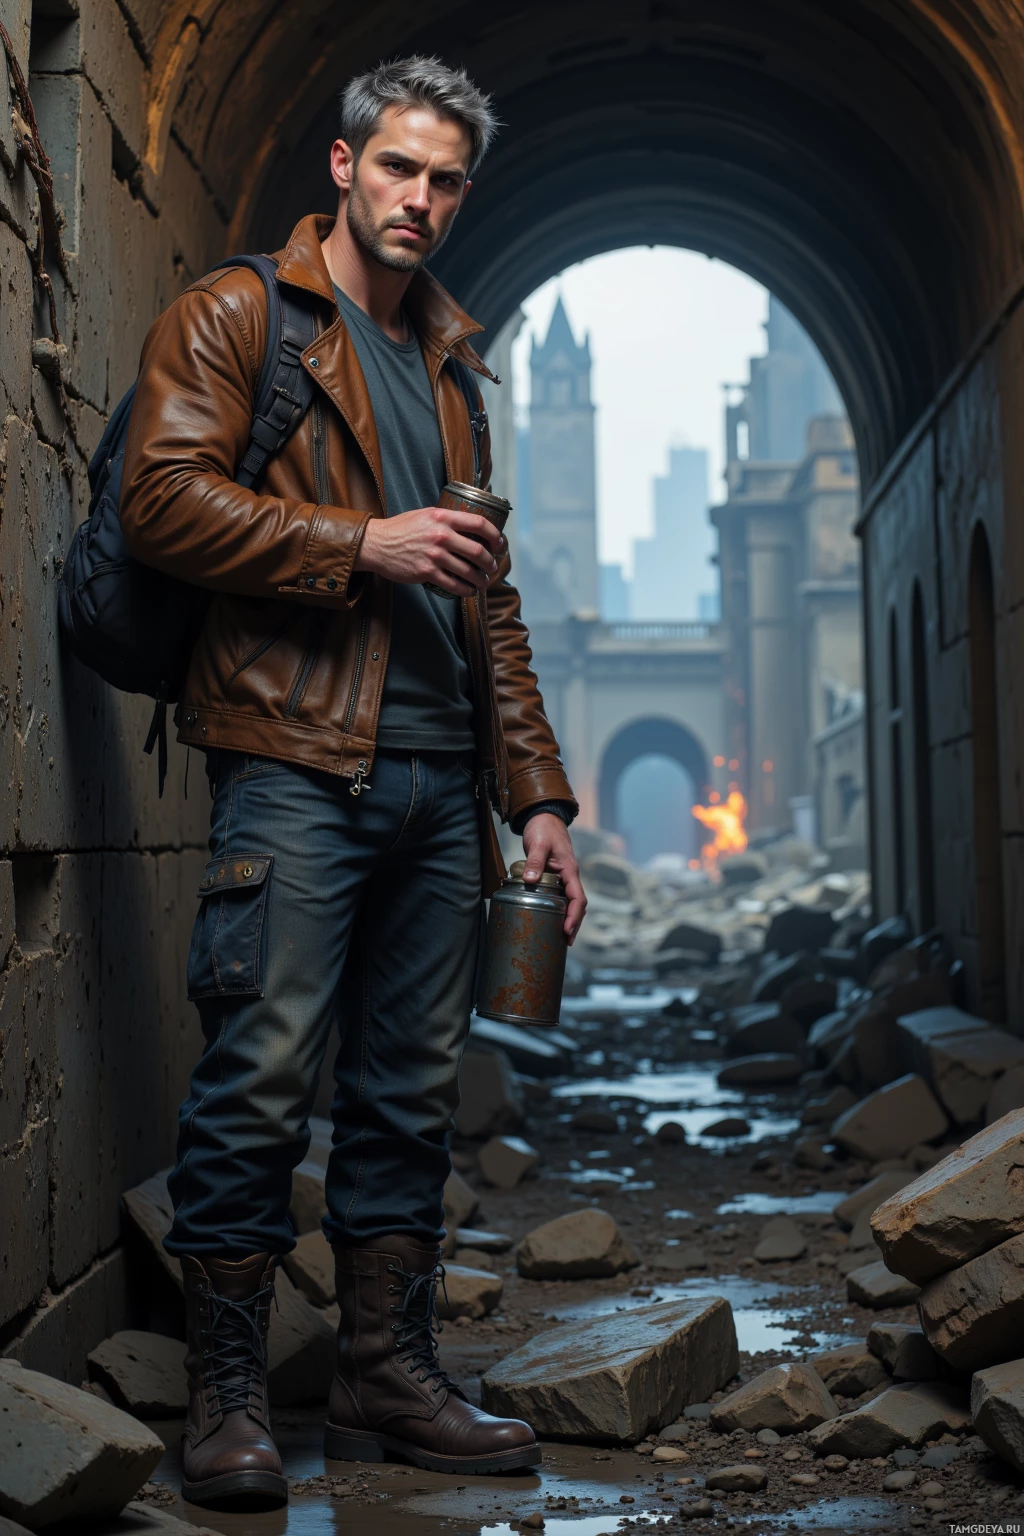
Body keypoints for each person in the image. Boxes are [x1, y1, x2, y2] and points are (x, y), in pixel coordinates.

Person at [120, 55, 585, 1508]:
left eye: (448, 180)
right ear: (343, 164)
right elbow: (159, 499)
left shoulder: (454, 369)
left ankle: (389, 1372)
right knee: (260, 1081)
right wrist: (356, 546)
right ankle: (232, 1396)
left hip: (446, 794)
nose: (424, 201)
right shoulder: (239, 316)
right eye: (400, 169)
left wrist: (541, 802)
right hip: (298, 766)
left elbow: (486, 606)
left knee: (407, 1097)